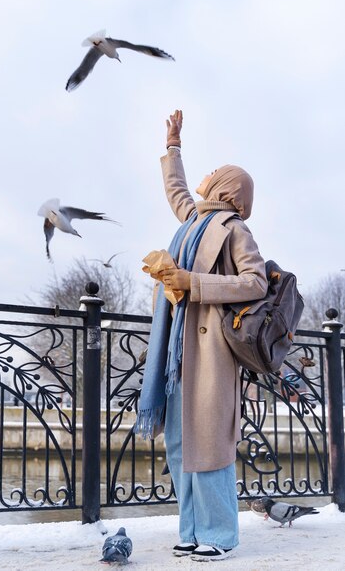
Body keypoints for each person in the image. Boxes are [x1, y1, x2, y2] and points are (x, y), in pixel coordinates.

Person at [135, 109, 267, 562]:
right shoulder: (192, 221)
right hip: (176, 350)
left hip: (210, 351)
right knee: (179, 442)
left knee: (209, 445)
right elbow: (176, 190)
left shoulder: (235, 230)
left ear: (226, 187)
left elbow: (256, 283)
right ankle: (191, 529)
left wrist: (194, 282)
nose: (205, 174)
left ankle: (221, 534)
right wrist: (174, 145)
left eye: (215, 171)